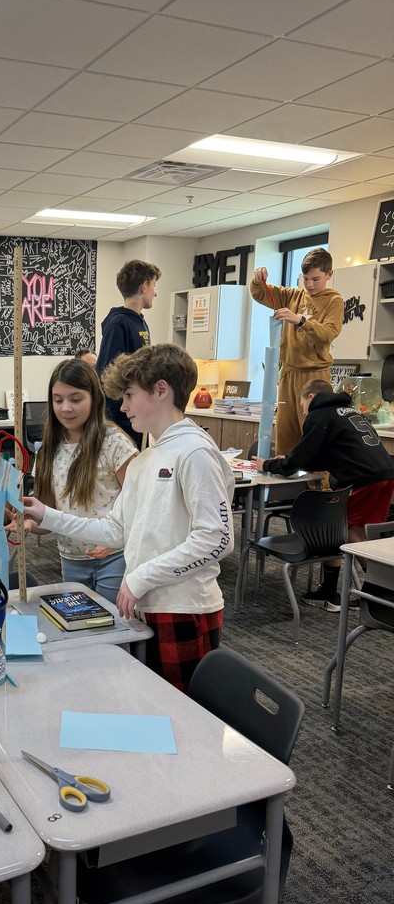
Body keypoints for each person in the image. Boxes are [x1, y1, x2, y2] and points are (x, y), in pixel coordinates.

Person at [23, 343, 234, 694]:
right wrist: (48, 515)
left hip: (184, 607)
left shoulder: (194, 451)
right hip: (147, 607)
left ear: (161, 391)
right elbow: (114, 529)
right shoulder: (150, 457)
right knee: (150, 702)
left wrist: (140, 578)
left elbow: (217, 539)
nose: (122, 406)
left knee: (185, 715)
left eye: (130, 395)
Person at [254, 378, 394, 611]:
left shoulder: (319, 415)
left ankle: (383, 593)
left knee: (346, 532)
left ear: (310, 397)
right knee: (351, 532)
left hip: (362, 480)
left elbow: (298, 461)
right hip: (384, 474)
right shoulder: (348, 411)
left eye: (301, 405)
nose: (303, 411)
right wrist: (289, 461)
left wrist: (268, 465)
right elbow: (324, 456)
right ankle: (348, 593)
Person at [29, 358, 137, 604]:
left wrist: (116, 541)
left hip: (115, 557)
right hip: (71, 558)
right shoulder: (48, 449)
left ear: (94, 399)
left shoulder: (114, 442)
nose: (66, 408)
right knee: (80, 630)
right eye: (58, 400)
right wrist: (29, 524)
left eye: (75, 399)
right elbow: (49, 518)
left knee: (114, 629)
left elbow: (140, 505)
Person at [250, 248, 343, 456]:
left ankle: (319, 486)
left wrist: (300, 321)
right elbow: (260, 293)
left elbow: (328, 333)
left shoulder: (333, 301)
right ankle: (283, 487)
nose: (309, 285)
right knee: (284, 434)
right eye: (306, 279)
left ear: (329, 274)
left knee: (314, 435)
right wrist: (258, 279)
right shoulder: (294, 295)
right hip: (288, 373)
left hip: (314, 376)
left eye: (316, 279)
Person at [96, 259, 161, 449]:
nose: (155, 293)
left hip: (137, 416)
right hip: (121, 420)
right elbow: (107, 374)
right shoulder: (118, 323)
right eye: (154, 285)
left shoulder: (139, 322)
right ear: (144, 286)